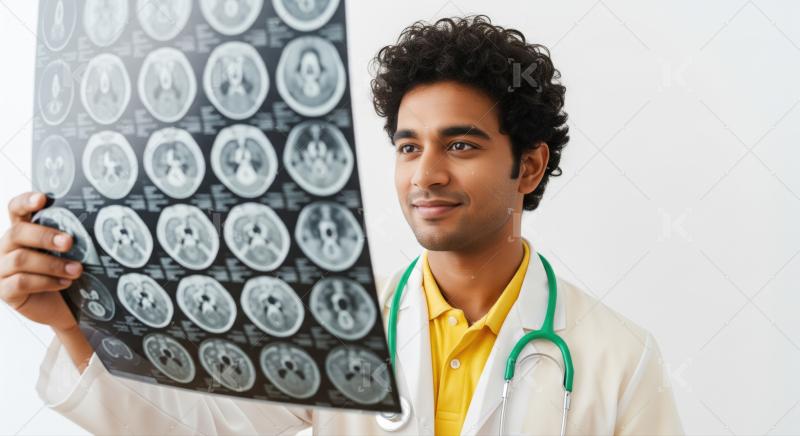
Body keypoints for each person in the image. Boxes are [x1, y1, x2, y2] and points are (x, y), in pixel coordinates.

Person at [0, 15, 684, 435]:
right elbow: (194, 428)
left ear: (529, 166)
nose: (426, 175)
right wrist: (69, 320)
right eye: (409, 146)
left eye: (462, 145)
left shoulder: (619, 360)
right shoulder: (339, 323)